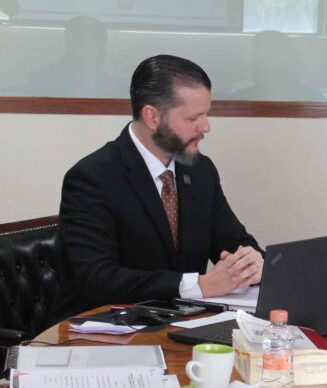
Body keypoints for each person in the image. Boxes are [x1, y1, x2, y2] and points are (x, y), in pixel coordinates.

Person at [52, 55, 263, 319]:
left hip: (181, 323)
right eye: (193, 118)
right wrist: (201, 285)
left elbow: (235, 243)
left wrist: (253, 264)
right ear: (152, 116)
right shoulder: (92, 178)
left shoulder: (200, 171)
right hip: (105, 328)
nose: (206, 127)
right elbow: (97, 278)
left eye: (206, 114)